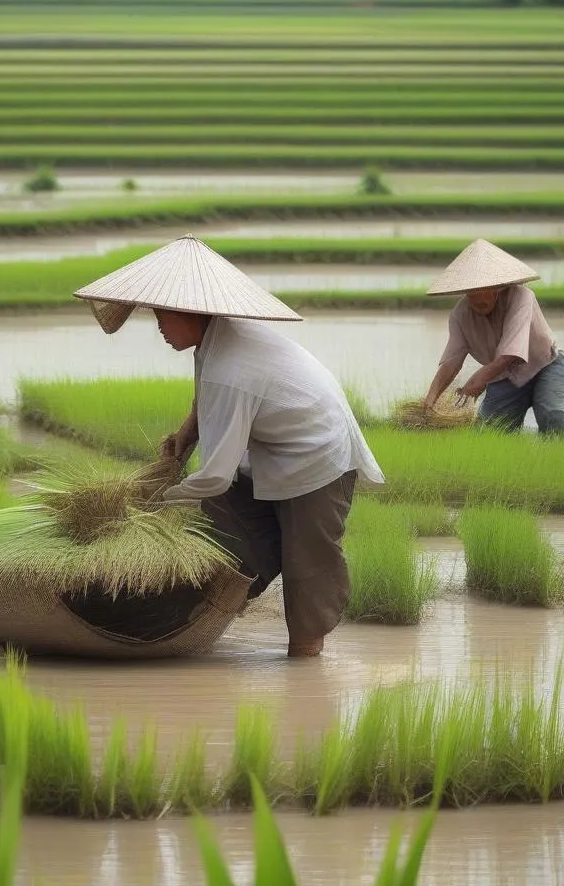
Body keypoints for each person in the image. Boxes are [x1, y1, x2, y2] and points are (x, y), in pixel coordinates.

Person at [75, 235, 384, 659]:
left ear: (191, 313)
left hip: (317, 457)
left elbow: (216, 474)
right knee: (224, 528)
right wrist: (186, 435)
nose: (160, 329)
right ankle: (198, 616)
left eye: (163, 316)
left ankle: (306, 656)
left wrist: (159, 500)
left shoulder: (231, 365)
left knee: (307, 563)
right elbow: (205, 396)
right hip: (269, 451)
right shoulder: (215, 340)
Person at [423, 238, 564, 433]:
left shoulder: (522, 297)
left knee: (553, 418)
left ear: (498, 287)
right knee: (489, 431)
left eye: (485, 289)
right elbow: (452, 361)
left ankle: (556, 456)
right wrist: (430, 399)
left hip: (545, 366)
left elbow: (511, 353)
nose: (479, 298)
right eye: (472, 291)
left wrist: (479, 379)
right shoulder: (460, 315)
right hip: (504, 376)